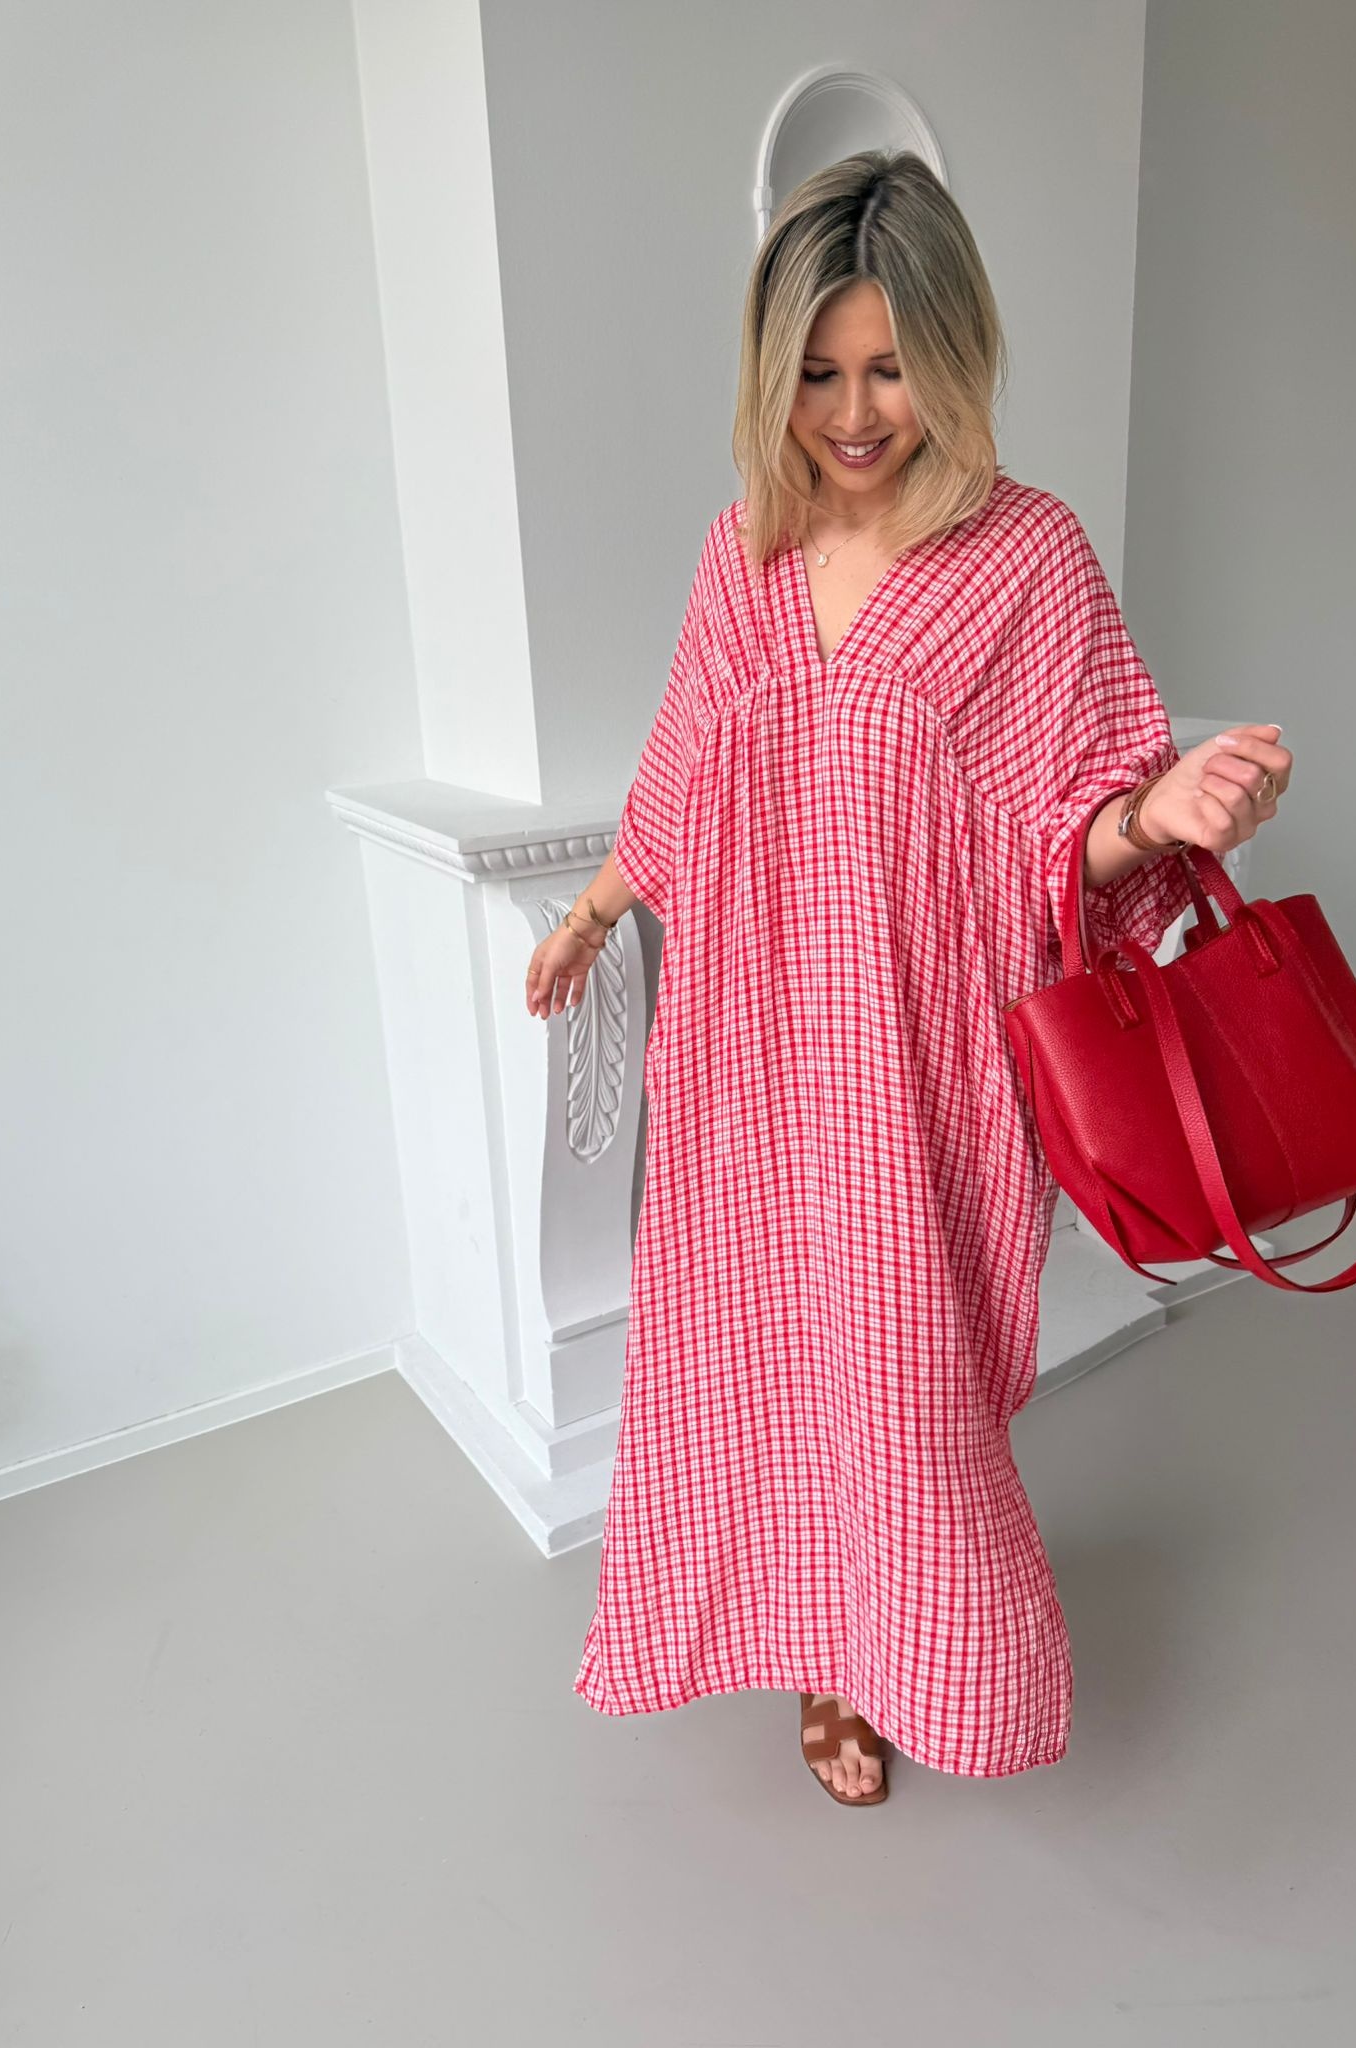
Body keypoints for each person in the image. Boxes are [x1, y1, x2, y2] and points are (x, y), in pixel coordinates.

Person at [525, 150, 1292, 1806]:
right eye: (818, 372)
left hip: (912, 1068)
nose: (856, 413)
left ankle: (916, 1657)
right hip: (740, 1062)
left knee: (899, 1387)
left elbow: (1064, 824)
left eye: (890, 368)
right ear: (771, 371)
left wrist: (1160, 812)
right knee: (749, 1366)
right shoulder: (742, 555)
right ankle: (821, 1657)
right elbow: (679, 779)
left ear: (952, 356)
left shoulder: (1025, 559)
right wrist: (589, 914)